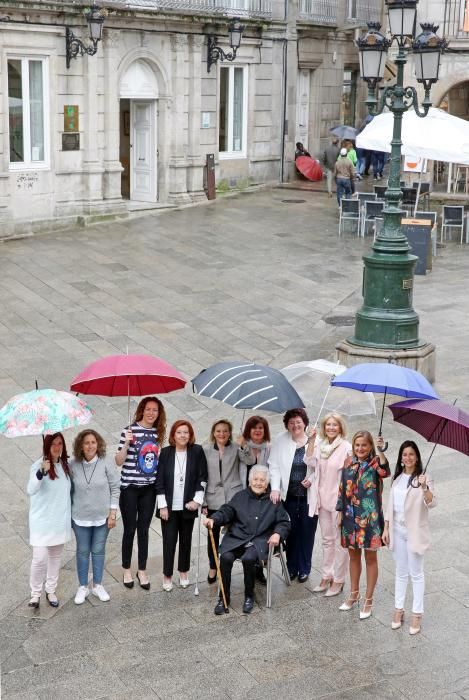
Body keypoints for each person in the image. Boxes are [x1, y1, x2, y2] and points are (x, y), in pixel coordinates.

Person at [205, 465, 291, 615]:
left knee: (249, 558)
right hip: (238, 537)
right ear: (250, 481)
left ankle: (249, 597)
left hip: (260, 540)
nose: (258, 483)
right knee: (225, 557)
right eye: (255, 479)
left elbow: (284, 522)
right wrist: (214, 518)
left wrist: (277, 533)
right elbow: (227, 511)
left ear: (267, 483)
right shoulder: (240, 496)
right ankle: (223, 598)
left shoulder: (274, 500)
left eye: (262, 480)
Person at [382, 441, 436, 635]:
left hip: (414, 533)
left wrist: (424, 487)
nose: (408, 458)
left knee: (417, 573)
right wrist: (386, 528)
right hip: (396, 531)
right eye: (404, 454)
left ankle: (417, 613)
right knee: (400, 572)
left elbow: (432, 502)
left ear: (417, 457)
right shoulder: (397, 478)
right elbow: (390, 504)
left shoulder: (424, 478)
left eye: (411, 454)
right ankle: (398, 609)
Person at [336, 430, 390, 619]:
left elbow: (386, 471)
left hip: (370, 519)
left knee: (370, 559)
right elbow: (342, 488)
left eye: (364, 445)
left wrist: (381, 451)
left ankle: (368, 599)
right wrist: (340, 512)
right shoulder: (348, 462)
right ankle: (353, 594)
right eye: (357, 445)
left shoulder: (375, 463)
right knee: (353, 556)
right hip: (350, 518)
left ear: (370, 446)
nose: (360, 448)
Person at [115, 396, 166, 590]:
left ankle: (142, 569)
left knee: (144, 530)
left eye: (155, 410)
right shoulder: (129, 430)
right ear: (142, 410)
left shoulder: (157, 433)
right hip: (129, 487)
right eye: (148, 409)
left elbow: (156, 463)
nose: (152, 413)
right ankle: (127, 568)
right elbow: (119, 461)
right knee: (129, 529)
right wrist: (127, 443)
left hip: (149, 489)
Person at [155, 420, 208, 591]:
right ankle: (167, 575)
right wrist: (162, 505)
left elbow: (203, 477)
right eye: (179, 432)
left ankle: (184, 572)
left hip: (188, 506)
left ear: (190, 435)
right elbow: (159, 480)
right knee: (169, 542)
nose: (183, 435)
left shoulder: (197, 451)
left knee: (186, 541)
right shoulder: (165, 453)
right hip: (169, 508)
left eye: (186, 432)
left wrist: (197, 500)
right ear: (173, 435)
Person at [69, 430, 120, 605]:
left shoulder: (106, 462)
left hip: (102, 518)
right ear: (80, 447)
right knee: (82, 552)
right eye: (86, 443)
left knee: (98, 551)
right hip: (80, 517)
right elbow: (65, 488)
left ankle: (97, 585)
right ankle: (82, 586)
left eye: (93, 442)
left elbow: (115, 488)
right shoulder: (73, 464)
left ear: (98, 444)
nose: (90, 446)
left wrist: (112, 513)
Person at [305, 413, 352, 597]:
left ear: (340, 427)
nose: (331, 428)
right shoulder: (320, 445)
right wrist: (310, 440)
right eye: (328, 425)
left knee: (341, 543)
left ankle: (339, 579)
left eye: (335, 425)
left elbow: (350, 478)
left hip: (338, 502)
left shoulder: (346, 447)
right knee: (326, 540)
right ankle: (327, 575)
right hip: (322, 499)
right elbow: (309, 462)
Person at [269, 408, 318, 583]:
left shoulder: (314, 441)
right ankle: (291, 567)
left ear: (304, 423)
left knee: (307, 532)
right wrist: (275, 488)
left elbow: (321, 467)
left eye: (298, 422)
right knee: (290, 532)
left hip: (308, 496)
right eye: (291, 422)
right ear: (287, 425)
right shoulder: (280, 440)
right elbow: (273, 465)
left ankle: (304, 567)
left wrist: (311, 478)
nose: (295, 425)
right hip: (288, 496)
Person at [27, 432, 71, 609]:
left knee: (55, 557)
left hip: (59, 520)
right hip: (41, 521)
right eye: (53, 444)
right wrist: (41, 472)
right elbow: (31, 489)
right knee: (39, 558)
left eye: (60, 443)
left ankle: (50, 589)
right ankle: (35, 594)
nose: (57, 447)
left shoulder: (65, 465)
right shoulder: (38, 465)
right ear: (47, 446)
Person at [203, 419, 245, 584]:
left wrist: (243, 445)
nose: (222, 434)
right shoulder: (205, 449)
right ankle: (213, 567)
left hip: (232, 497)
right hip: (213, 497)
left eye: (225, 431)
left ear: (230, 433)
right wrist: (204, 502)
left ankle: (230, 564)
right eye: (218, 431)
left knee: (234, 533)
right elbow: (201, 476)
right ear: (213, 432)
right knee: (211, 535)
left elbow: (248, 460)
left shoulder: (235, 447)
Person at [238, 415, 271, 488]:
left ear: (265, 430)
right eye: (254, 428)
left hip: (262, 489)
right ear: (248, 430)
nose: (257, 430)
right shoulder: (241, 445)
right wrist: (242, 446)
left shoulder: (269, 448)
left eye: (260, 428)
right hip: (242, 489)